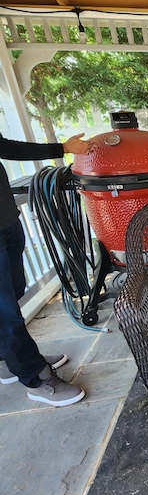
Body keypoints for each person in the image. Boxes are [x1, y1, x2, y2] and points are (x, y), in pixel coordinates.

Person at [0, 131, 96, 406]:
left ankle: (8, 359)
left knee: (15, 289)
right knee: (5, 311)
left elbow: (4, 145)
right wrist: (63, 147)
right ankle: (37, 379)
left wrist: (63, 147)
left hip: (6, 219)